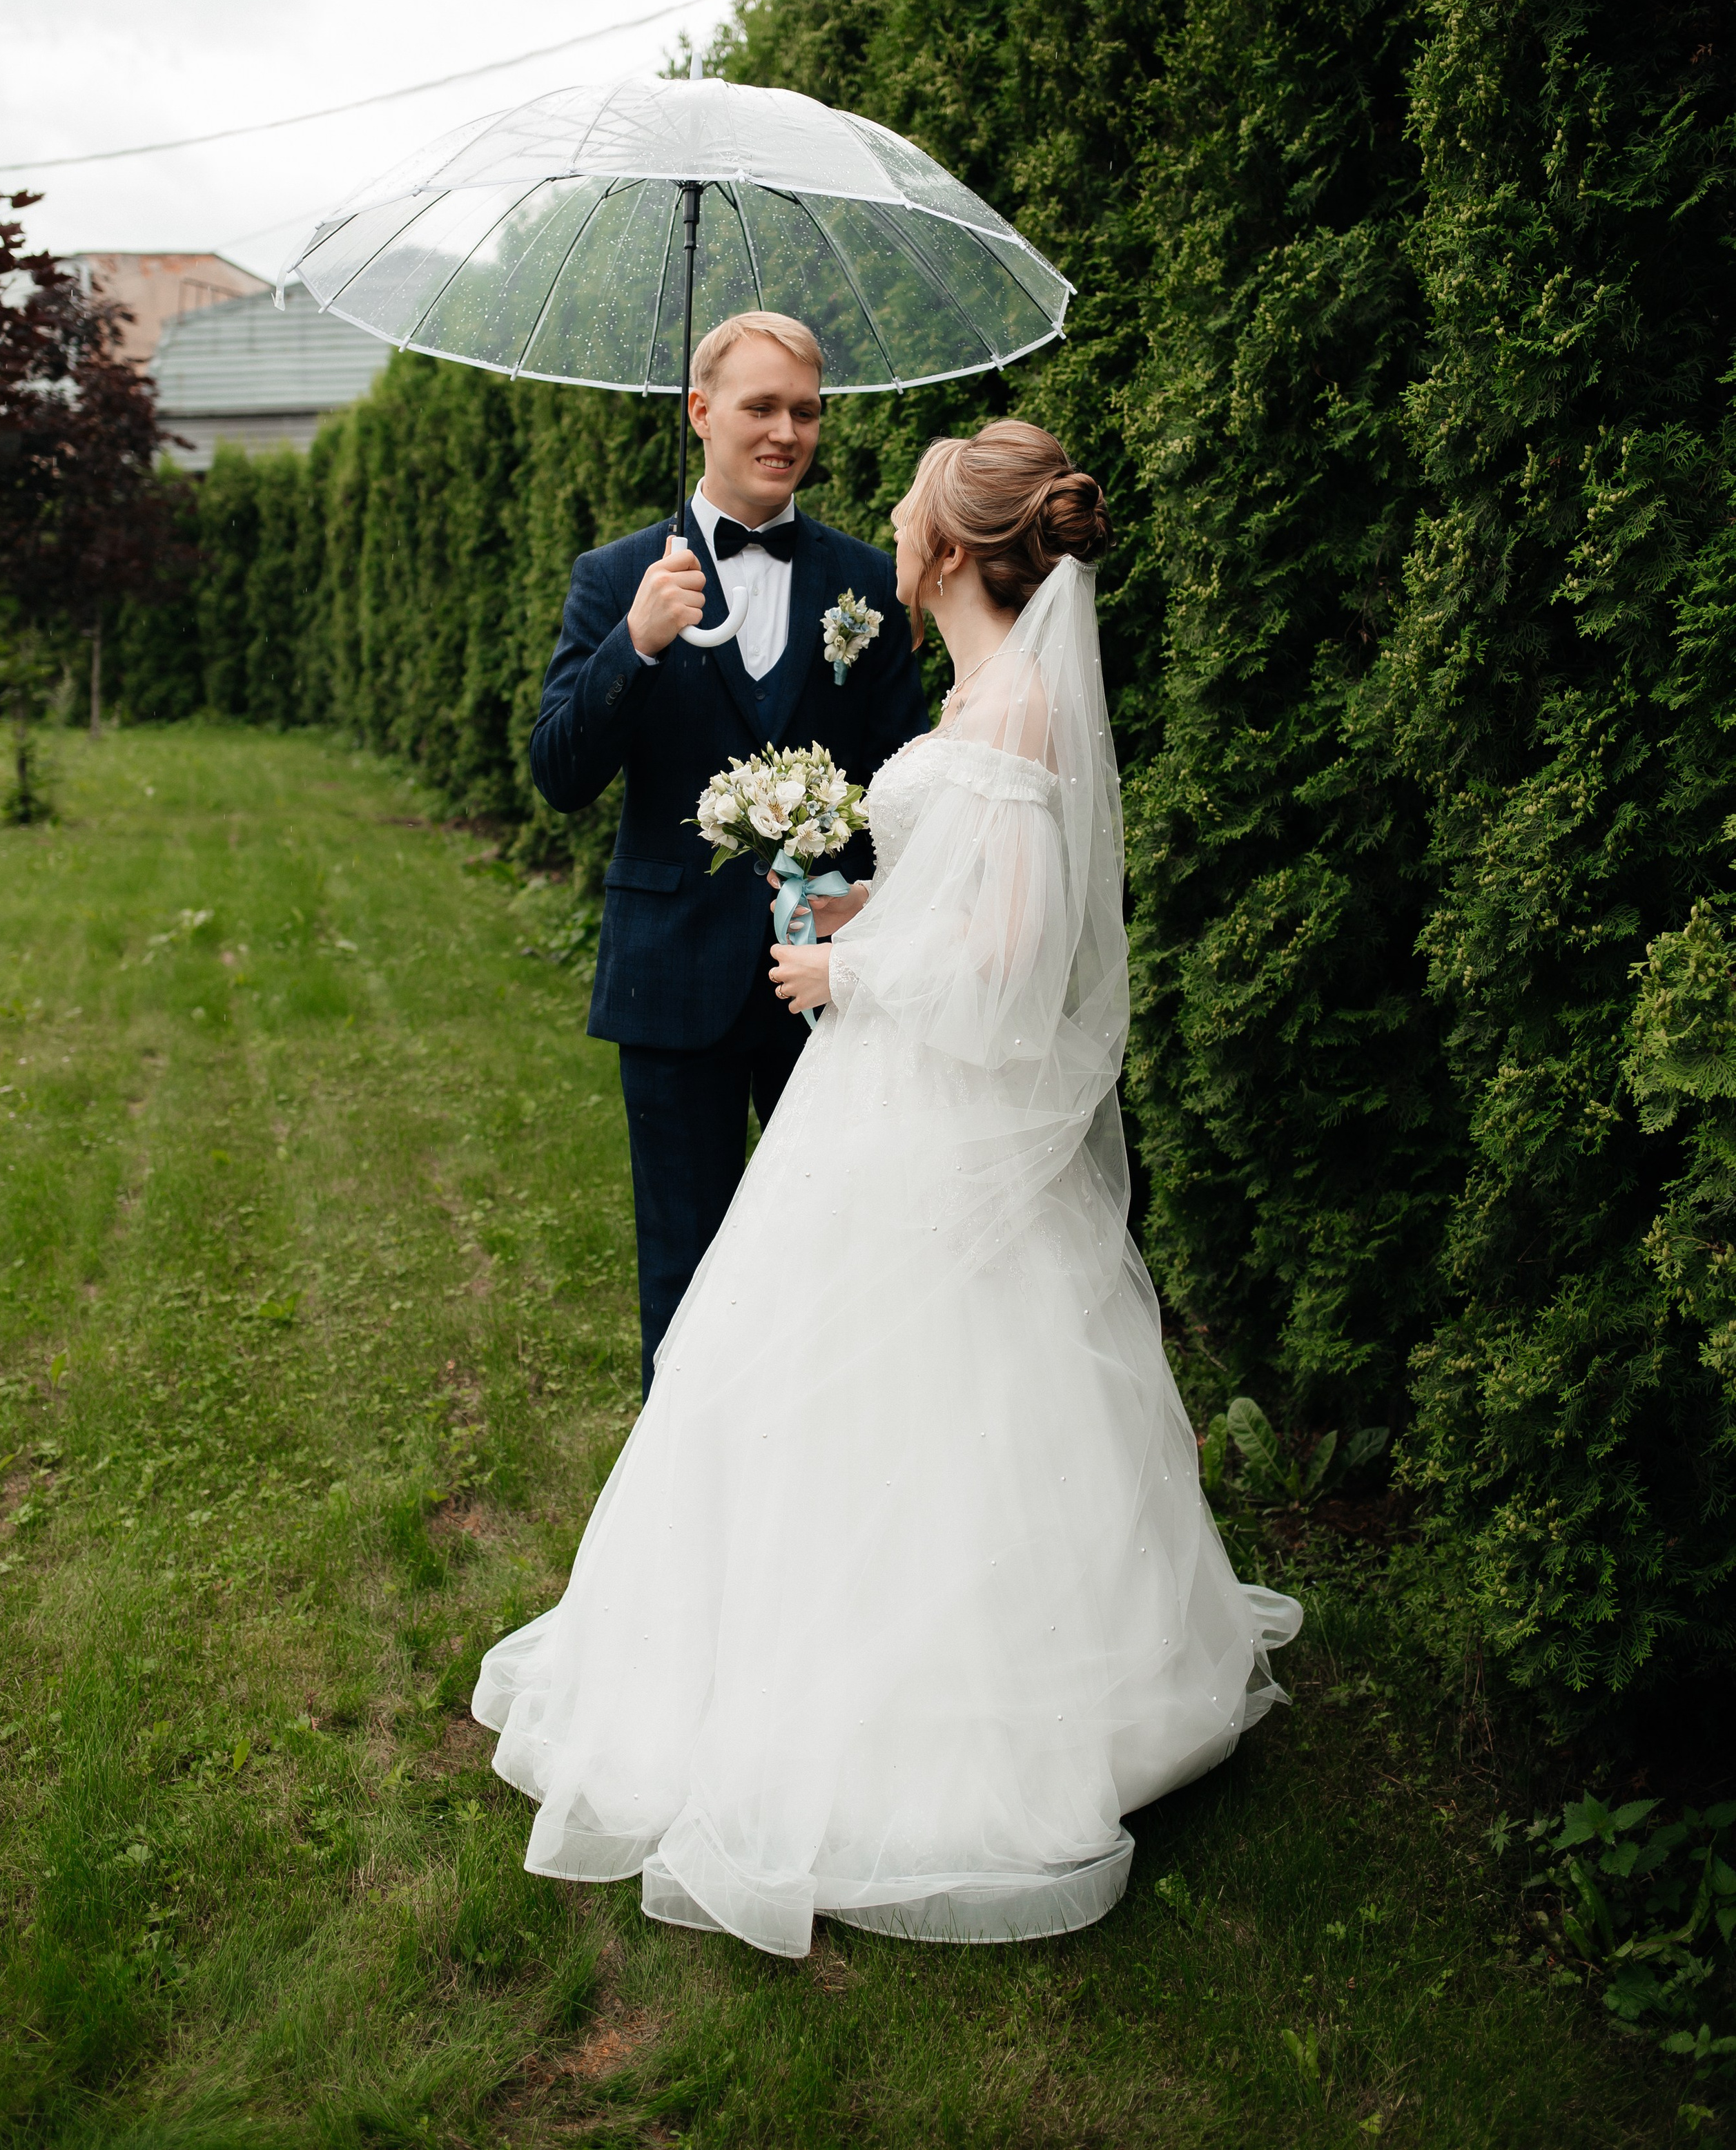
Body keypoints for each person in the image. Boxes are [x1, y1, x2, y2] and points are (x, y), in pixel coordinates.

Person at [477, 418, 1300, 1958]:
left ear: (952, 547)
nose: (895, 523)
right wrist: (868, 897)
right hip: (892, 1094)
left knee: (901, 1388)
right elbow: (978, 898)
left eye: (918, 507)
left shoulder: (1007, 714)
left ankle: (915, 1716)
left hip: (915, 1096)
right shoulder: (994, 695)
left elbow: (999, 966)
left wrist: (842, 967)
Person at [527, 309, 928, 1396]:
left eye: (805, 411)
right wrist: (638, 645)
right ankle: (685, 1517)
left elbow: (905, 785)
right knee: (685, 1263)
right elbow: (559, 773)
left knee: (835, 1253)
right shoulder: (619, 580)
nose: (786, 432)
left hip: (826, 984)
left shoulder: (868, 585)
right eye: (761, 407)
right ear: (702, 414)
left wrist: (859, 907)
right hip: (671, 975)